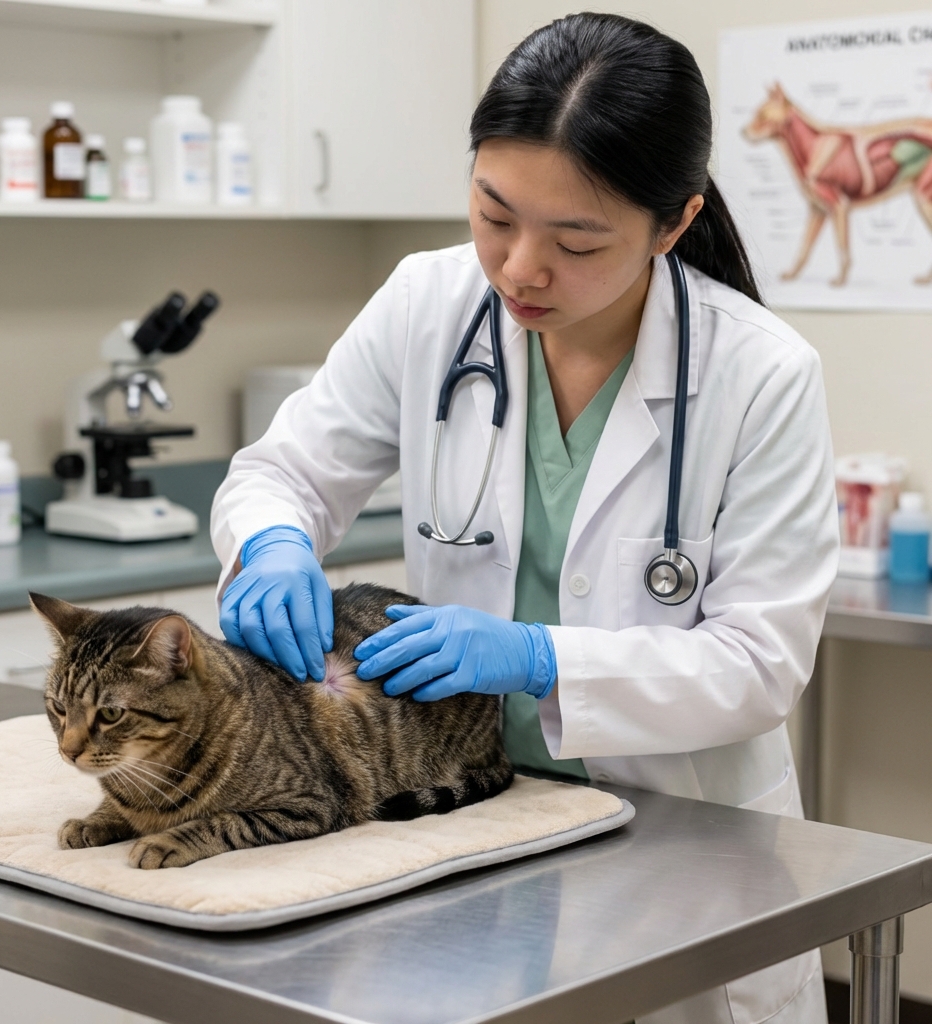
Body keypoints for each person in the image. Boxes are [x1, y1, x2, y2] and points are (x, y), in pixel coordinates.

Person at [211, 13, 837, 1024]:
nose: (517, 271)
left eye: (576, 240)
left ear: (672, 225)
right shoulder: (428, 303)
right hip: (469, 820)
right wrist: (274, 540)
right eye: (493, 213)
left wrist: (540, 658)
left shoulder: (758, 374)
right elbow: (283, 468)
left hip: (674, 839)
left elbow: (758, 664)